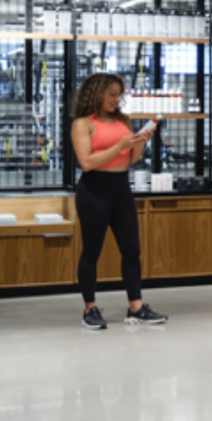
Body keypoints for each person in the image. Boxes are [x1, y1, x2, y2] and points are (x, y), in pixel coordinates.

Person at [69, 72, 167, 330]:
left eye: (119, 95)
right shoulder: (83, 124)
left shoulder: (122, 120)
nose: (116, 99)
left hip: (121, 189)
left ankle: (136, 308)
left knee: (132, 249)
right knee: (91, 252)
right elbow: (87, 163)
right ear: (96, 94)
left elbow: (131, 158)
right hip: (94, 191)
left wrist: (141, 142)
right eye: (111, 94)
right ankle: (90, 309)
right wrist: (119, 146)